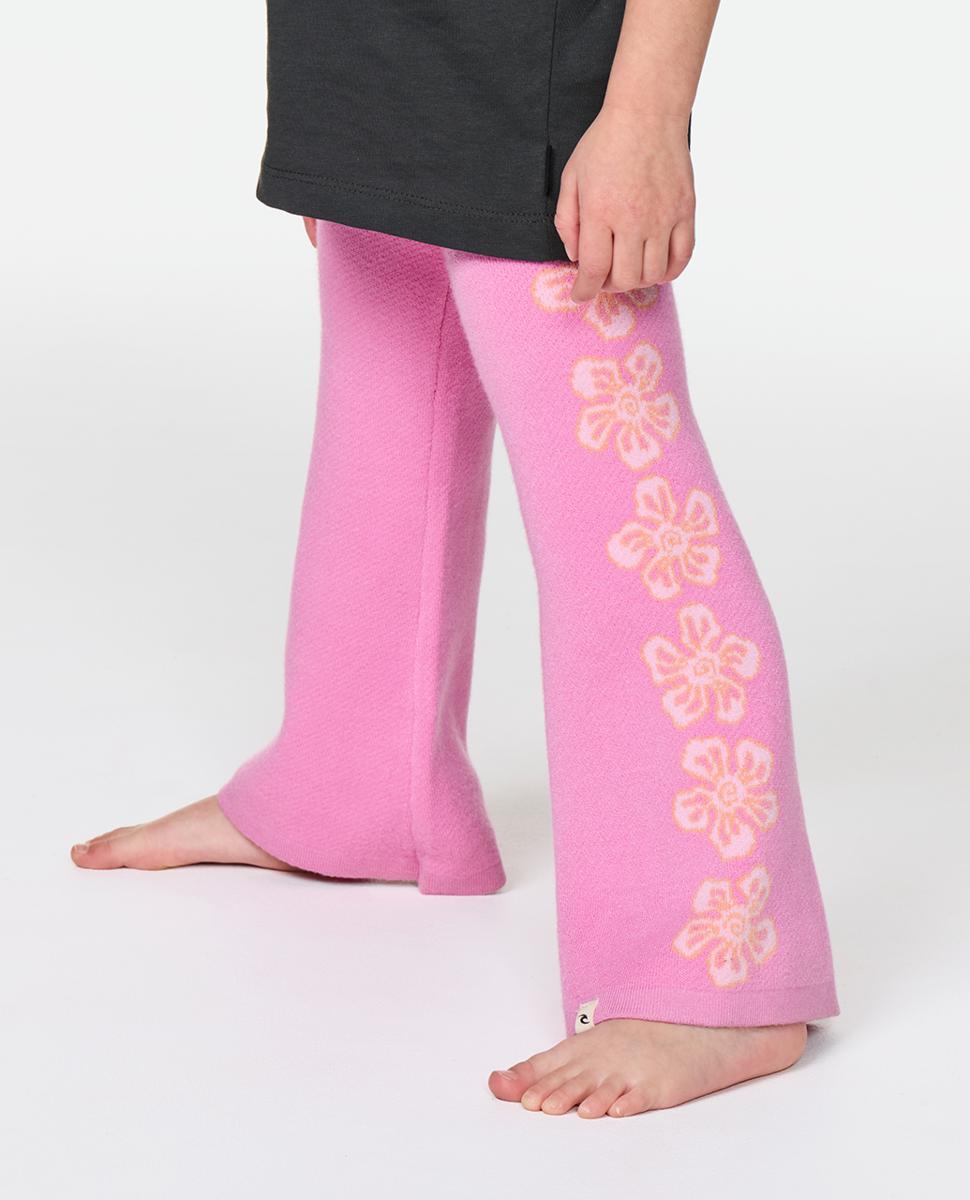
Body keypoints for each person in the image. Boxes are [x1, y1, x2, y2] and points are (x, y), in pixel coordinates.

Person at [71, 0, 839, 1118]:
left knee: (625, 511)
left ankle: (714, 964)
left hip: (532, 74)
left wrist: (645, 111)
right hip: (370, 48)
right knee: (383, 422)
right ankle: (353, 793)